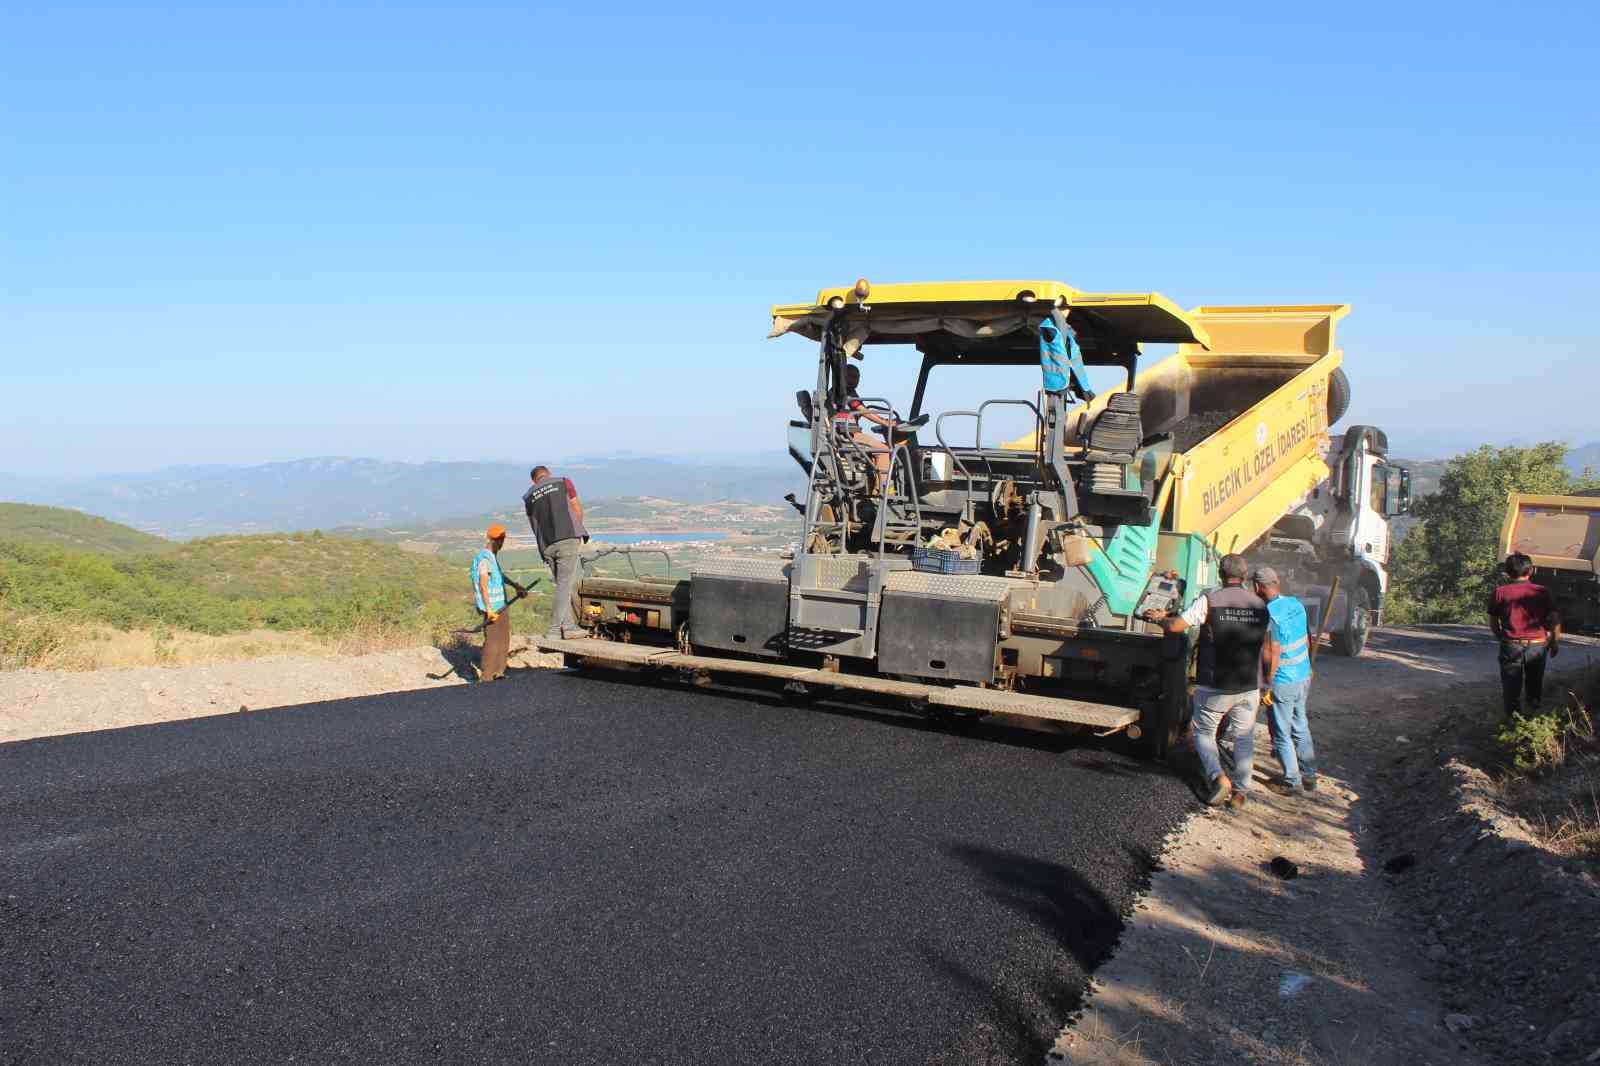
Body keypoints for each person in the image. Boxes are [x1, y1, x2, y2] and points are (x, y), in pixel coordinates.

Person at [1146, 553, 1276, 809]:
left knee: (1205, 732)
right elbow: (1269, 649)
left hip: (1215, 683)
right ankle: (1240, 792)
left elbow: (1177, 627)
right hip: (1249, 684)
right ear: (1245, 575)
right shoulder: (1261, 606)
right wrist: (1267, 682)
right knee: (1244, 738)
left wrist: (1162, 618)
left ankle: (1218, 777)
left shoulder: (1211, 601)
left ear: (1221, 574)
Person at [1253, 567, 1318, 795]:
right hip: (1303, 676)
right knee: (1300, 725)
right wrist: (1309, 666)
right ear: (1277, 582)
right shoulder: (1295, 604)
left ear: (1257, 587)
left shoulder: (1268, 613)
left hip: (1282, 680)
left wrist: (1267, 685)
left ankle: (1292, 781)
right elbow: (1307, 638)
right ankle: (1309, 775)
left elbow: (1273, 651)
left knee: (1281, 732)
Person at [1488, 552, 1561, 717]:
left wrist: (1505, 639)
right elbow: (1555, 619)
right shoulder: (1543, 592)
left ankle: (1513, 722)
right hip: (1537, 645)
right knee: (1534, 686)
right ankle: (1532, 721)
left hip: (1511, 646)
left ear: (1507, 572)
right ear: (1532, 571)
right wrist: (1555, 642)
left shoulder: (1500, 592)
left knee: (1511, 688)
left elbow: (1493, 624)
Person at [524, 465, 589, 639]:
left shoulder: (528, 496)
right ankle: (554, 630)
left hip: (547, 545)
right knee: (565, 585)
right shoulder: (563, 482)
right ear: (548, 474)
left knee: (561, 585)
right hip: (567, 538)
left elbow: (534, 524)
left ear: (534, 480)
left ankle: (568, 627)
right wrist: (577, 533)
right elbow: (576, 508)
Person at [834, 363, 898, 493]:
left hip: (848, 433)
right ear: (843, 377)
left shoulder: (841, 390)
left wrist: (885, 421)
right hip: (849, 435)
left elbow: (864, 410)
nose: (855, 379)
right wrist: (886, 423)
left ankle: (874, 486)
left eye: (857, 376)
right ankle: (883, 491)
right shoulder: (846, 393)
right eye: (851, 376)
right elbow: (864, 411)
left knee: (885, 447)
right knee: (884, 450)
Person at [471, 524, 512, 681]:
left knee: (503, 638)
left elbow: (500, 577)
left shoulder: (492, 557)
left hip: (501, 604)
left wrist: (516, 587)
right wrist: (489, 609)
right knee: (493, 639)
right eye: (502, 541)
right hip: (492, 607)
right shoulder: (484, 558)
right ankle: (487, 675)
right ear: (498, 540)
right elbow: (483, 584)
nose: (502, 544)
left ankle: (499, 672)